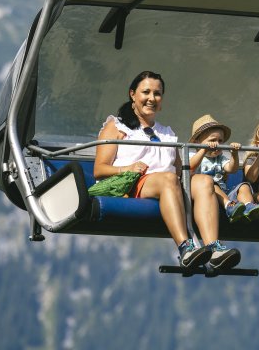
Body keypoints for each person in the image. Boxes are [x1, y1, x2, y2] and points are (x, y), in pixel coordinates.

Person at [91, 71, 240, 271]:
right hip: (136, 183)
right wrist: (128, 168)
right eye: (146, 92)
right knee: (168, 179)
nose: (152, 98)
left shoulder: (167, 133)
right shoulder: (117, 126)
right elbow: (99, 170)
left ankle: (214, 248)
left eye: (157, 93)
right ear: (133, 94)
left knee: (203, 181)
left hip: (169, 183)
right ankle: (186, 248)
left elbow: (182, 171)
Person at [187, 114, 259, 223]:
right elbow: (190, 167)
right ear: (197, 142)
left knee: (243, 186)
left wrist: (234, 154)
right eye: (212, 140)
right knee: (212, 183)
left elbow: (231, 169)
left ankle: (248, 206)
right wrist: (203, 150)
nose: (217, 144)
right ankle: (228, 206)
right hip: (205, 194)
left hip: (225, 194)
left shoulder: (220, 158)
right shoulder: (193, 156)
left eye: (221, 141)